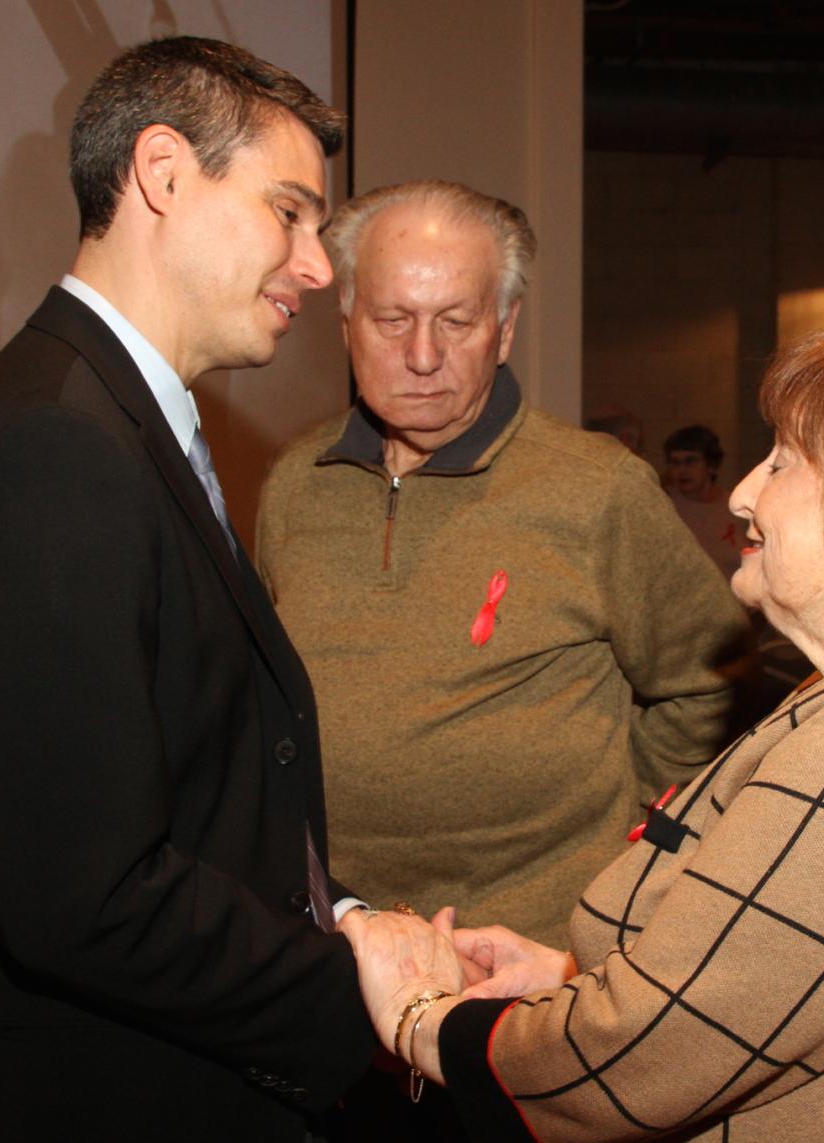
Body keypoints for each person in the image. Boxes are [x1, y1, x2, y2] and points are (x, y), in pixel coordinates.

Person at [343, 326, 824, 1142]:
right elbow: (786, 962)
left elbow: (650, 1052)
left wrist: (421, 1020)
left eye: (782, 461)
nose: (743, 492)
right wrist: (570, 977)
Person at [0, 37, 379, 1143]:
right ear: (161, 173)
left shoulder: (115, 423)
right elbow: (86, 896)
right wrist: (367, 1005)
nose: (318, 267)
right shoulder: (50, 450)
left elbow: (196, 796)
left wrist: (345, 925)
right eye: (289, 213)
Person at [254, 179, 749, 952]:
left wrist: (632, 825)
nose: (423, 356)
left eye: (457, 320)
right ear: (346, 317)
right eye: (392, 320)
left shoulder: (597, 487)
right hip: (341, 949)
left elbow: (718, 683)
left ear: (506, 327)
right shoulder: (293, 484)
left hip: (541, 964)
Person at [663, 423, 744, 579]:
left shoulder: (737, 507)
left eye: (690, 461)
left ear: (711, 466)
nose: (682, 470)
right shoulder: (664, 505)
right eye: (675, 463)